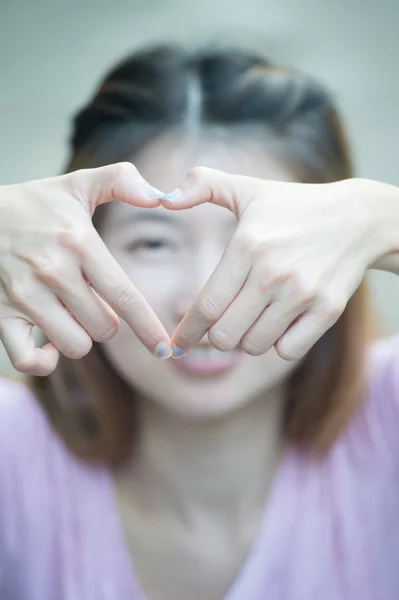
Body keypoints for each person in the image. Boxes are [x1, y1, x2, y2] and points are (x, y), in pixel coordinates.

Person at [1, 45, 399, 600]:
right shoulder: (13, 455)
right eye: (154, 242)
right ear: (78, 252)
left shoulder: (387, 416)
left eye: (252, 244)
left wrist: (384, 218)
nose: (200, 300)